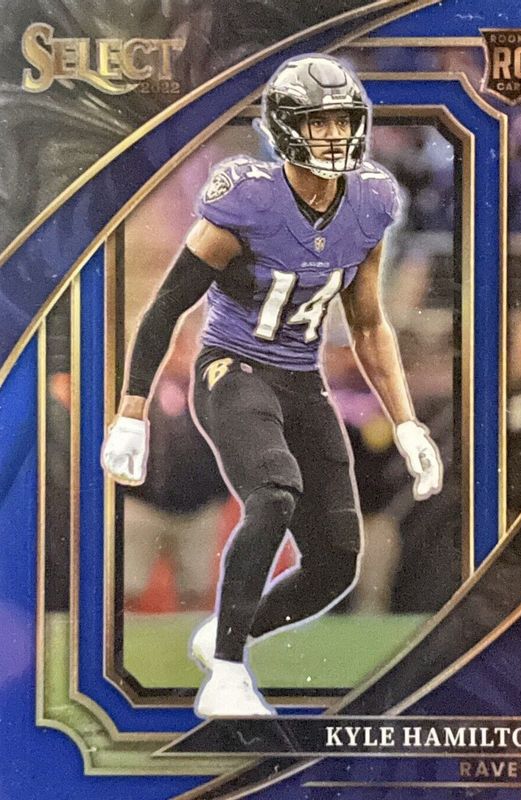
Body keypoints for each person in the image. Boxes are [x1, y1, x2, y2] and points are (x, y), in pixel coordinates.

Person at [101, 54, 443, 718]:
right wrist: (131, 413)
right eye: (319, 123)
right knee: (274, 491)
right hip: (231, 368)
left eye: (342, 121)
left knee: (336, 564)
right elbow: (167, 307)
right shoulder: (247, 200)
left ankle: (224, 636)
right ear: (286, 128)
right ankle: (228, 674)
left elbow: (368, 323)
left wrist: (406, 423)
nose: (334, 135)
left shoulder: (370, 200)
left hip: (300, 379)